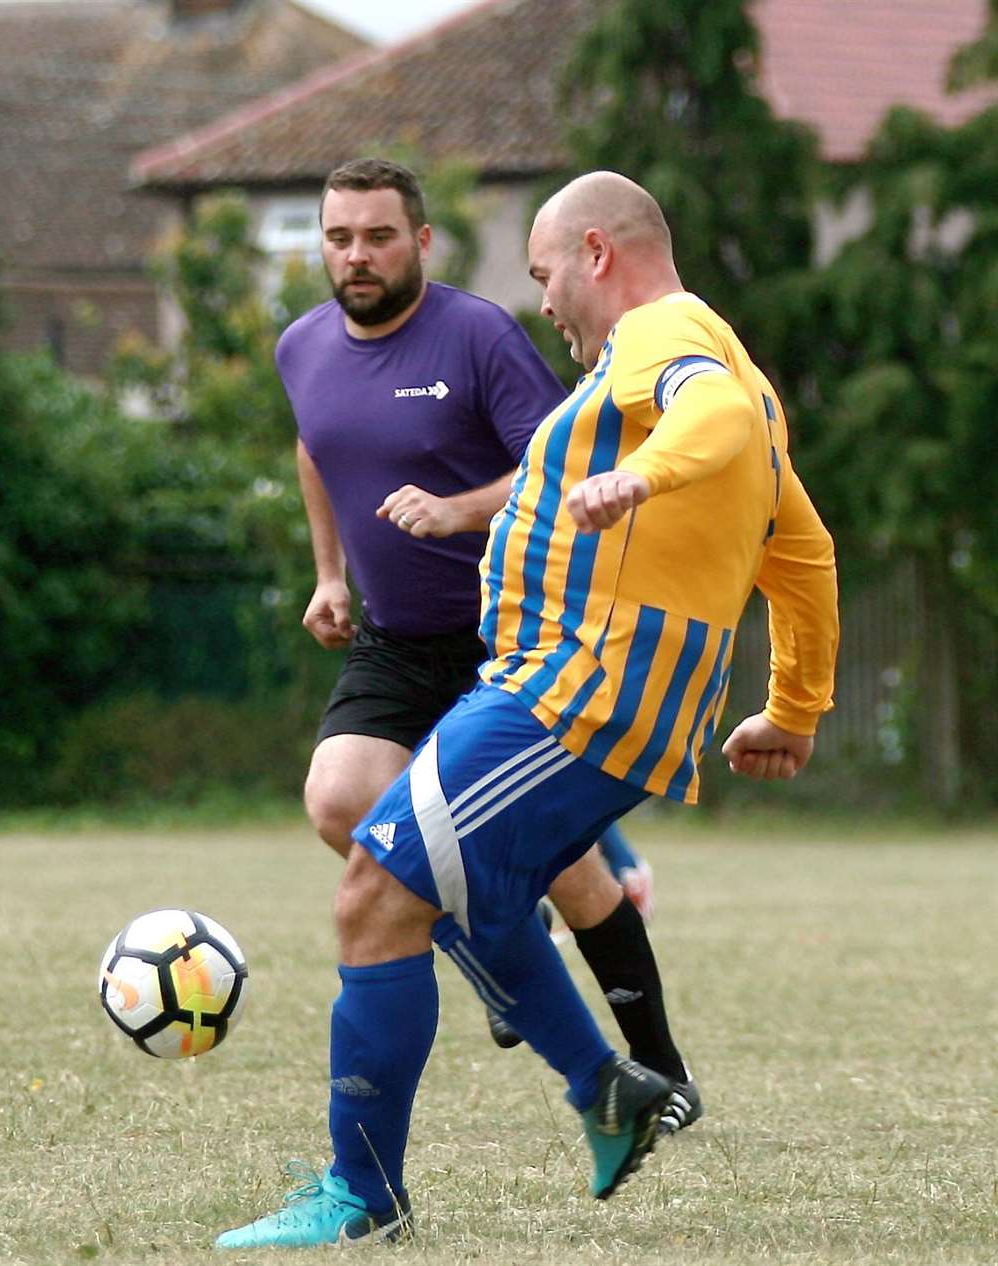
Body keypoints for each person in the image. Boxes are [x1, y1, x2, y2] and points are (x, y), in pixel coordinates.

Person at [214, 169, 838, 1250]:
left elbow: (711, 411)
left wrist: (638, 480)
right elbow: (806, 554)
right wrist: (792, 711)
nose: (544, 301)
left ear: (598, 253)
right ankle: (609, 1089)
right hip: (556, 687)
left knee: (374, 893)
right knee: (465, 895)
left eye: (547, 273)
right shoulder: (727, 370)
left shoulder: (664, 339)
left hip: (578, 691)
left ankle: (362, 1192)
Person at [282, 158, 684, 1072]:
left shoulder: (478, 336)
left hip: (505, 635)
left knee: (570, 867)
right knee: (341, 802)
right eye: (340, 238)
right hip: (391, 639)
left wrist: (459, 508)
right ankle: (502, 939)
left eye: (379, 236)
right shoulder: (301, 346)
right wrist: (328, 572)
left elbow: (562, 461)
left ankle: (660, 1066)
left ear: (421, 241)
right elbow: (315, 446)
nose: (358, 256)